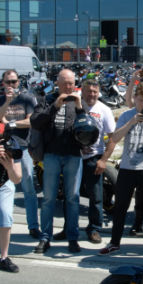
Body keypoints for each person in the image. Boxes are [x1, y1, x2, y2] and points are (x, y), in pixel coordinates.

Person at [98, 81, 143, 255]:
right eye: (140, 100)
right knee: (120, 206)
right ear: (134, 98)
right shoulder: (127, 115)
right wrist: (131, 122)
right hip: (128, 167)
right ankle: (114, 242)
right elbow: (115, 138)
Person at [30, 68, 84, 254]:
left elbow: (87, 126)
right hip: (51, 154)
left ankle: (73, 237)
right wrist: (55, 106)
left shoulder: (78, 100)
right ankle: (45, 237)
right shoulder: (47, 99)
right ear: (57, 83)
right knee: (48, 198)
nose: (68, 87)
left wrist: (79, 107)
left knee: (73, 198)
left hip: (73, 154)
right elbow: (35, 121)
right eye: (65, 83)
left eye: (71, 83)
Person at [0, 69, 41, 239]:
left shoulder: (27, 99)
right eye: (8, 82)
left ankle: (33, 226)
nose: (11, 85)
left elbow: (31, 121)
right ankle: (3, 226)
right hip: (4, 148)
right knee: (4, 189)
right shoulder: (0, 100)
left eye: (14, 81)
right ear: (3, 83)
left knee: (28, 188)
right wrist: (7, 102)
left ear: (18, 82)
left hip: (23, 147)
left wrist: (11, 123)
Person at [79, 77, 115, 244]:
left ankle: (94, 229)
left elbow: (112, 138)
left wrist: (104, 160)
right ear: (82, 91)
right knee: (70, 195)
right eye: (88, 91)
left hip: (94, 157)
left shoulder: (104, 110)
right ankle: (68, 228)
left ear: (98, 92)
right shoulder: (75, 105)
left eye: (94, 92)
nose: (91, 94)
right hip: (74, 157)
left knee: (96, 197)